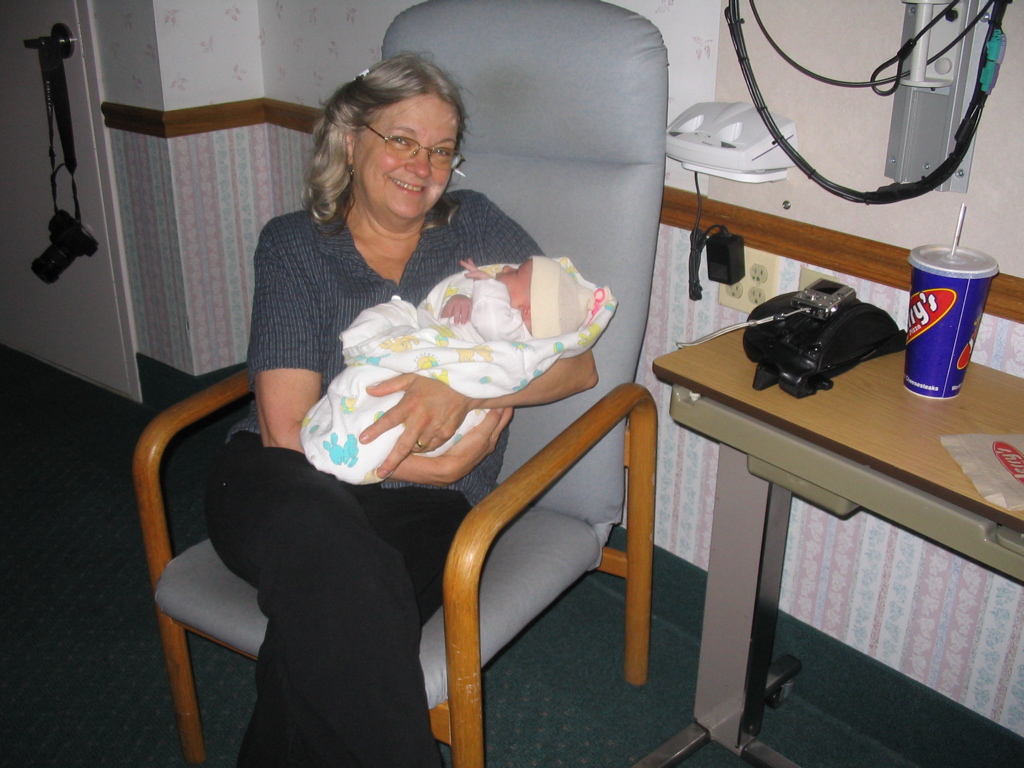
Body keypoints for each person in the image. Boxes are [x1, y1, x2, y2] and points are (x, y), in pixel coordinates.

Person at [203, 53, 598, 768]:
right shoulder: (294, 246)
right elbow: (287, 435)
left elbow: (578, 364)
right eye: (403, 140)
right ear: (350, 139)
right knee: (338, 564)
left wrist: (465, 390)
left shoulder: (475, 229)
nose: (424, 166)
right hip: (283, 482)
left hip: (425, 510)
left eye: (442, 149)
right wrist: (430, 463)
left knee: (335, 614)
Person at [300, 255, 616, 484]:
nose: (505, 268)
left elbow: (582, 369)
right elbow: (469, 319)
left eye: (516, 272)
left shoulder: (517, 332)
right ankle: (348, 442)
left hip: (449, 412)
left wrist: (463, 394)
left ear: (527, 309)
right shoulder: (295, 249)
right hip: (316, 467)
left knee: (383, 401)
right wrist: (465, 296)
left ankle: (350, 443)